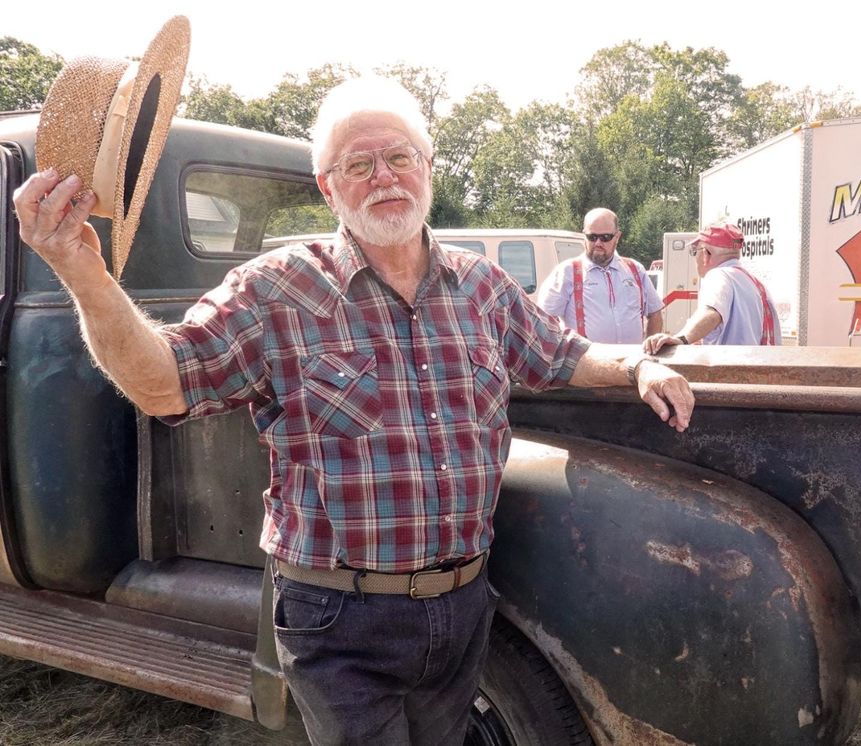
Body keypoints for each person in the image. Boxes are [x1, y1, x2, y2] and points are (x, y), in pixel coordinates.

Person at [14, 75, 693, 746]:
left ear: (428, 168)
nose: (385, 177)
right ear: (328, 187)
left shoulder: (483, 287)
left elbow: (562, 351)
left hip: (463, 603)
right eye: (359, 165)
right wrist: (83, 275)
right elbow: (164, 382)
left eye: (400, 157)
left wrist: (637, 364)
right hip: (338, 617)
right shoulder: (276, 290)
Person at [643, 221, 781, 353]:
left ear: (705, 254)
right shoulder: (756, 283)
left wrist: (680, 339)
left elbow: (712, 313)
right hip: (758, 369)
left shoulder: (718, 276)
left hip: (730, 371)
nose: (695, 257)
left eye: (695, 251)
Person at [537, 207, 663, 342]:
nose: (598, 243)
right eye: (592, 237)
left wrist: (649, 349)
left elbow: (655, 313)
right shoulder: (566, 272)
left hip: (632, 360)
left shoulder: (635, 270)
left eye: (605, 237)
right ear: (584, 236)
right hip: (586, 362)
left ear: (617, 237)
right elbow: (543, 322)